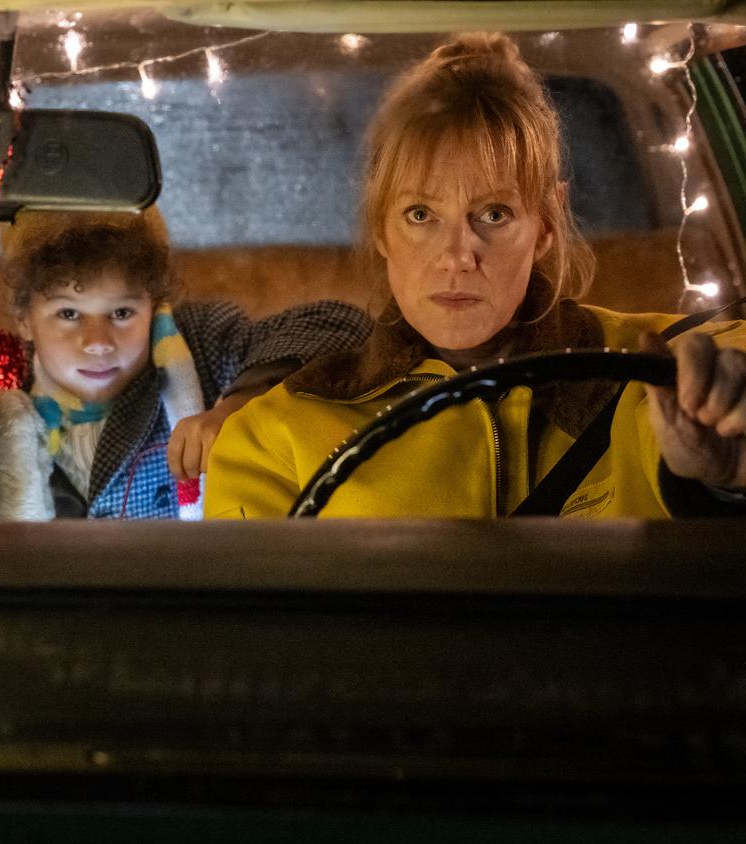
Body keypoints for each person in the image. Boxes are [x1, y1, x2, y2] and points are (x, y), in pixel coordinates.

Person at [206, 32, 746, 519]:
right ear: (380, 228)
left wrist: (720, 479)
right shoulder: (272, 435)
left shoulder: (660, 372)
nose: (457, 256)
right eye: (420, 215)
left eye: (494, 214)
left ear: (545, 225)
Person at [0, 209, 369, 520]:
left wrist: (239, 405)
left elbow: (340, 325)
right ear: (24, 319)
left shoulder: (198, 346)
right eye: (69, 315)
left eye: (122, 312)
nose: (97, 342)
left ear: (154, 305)